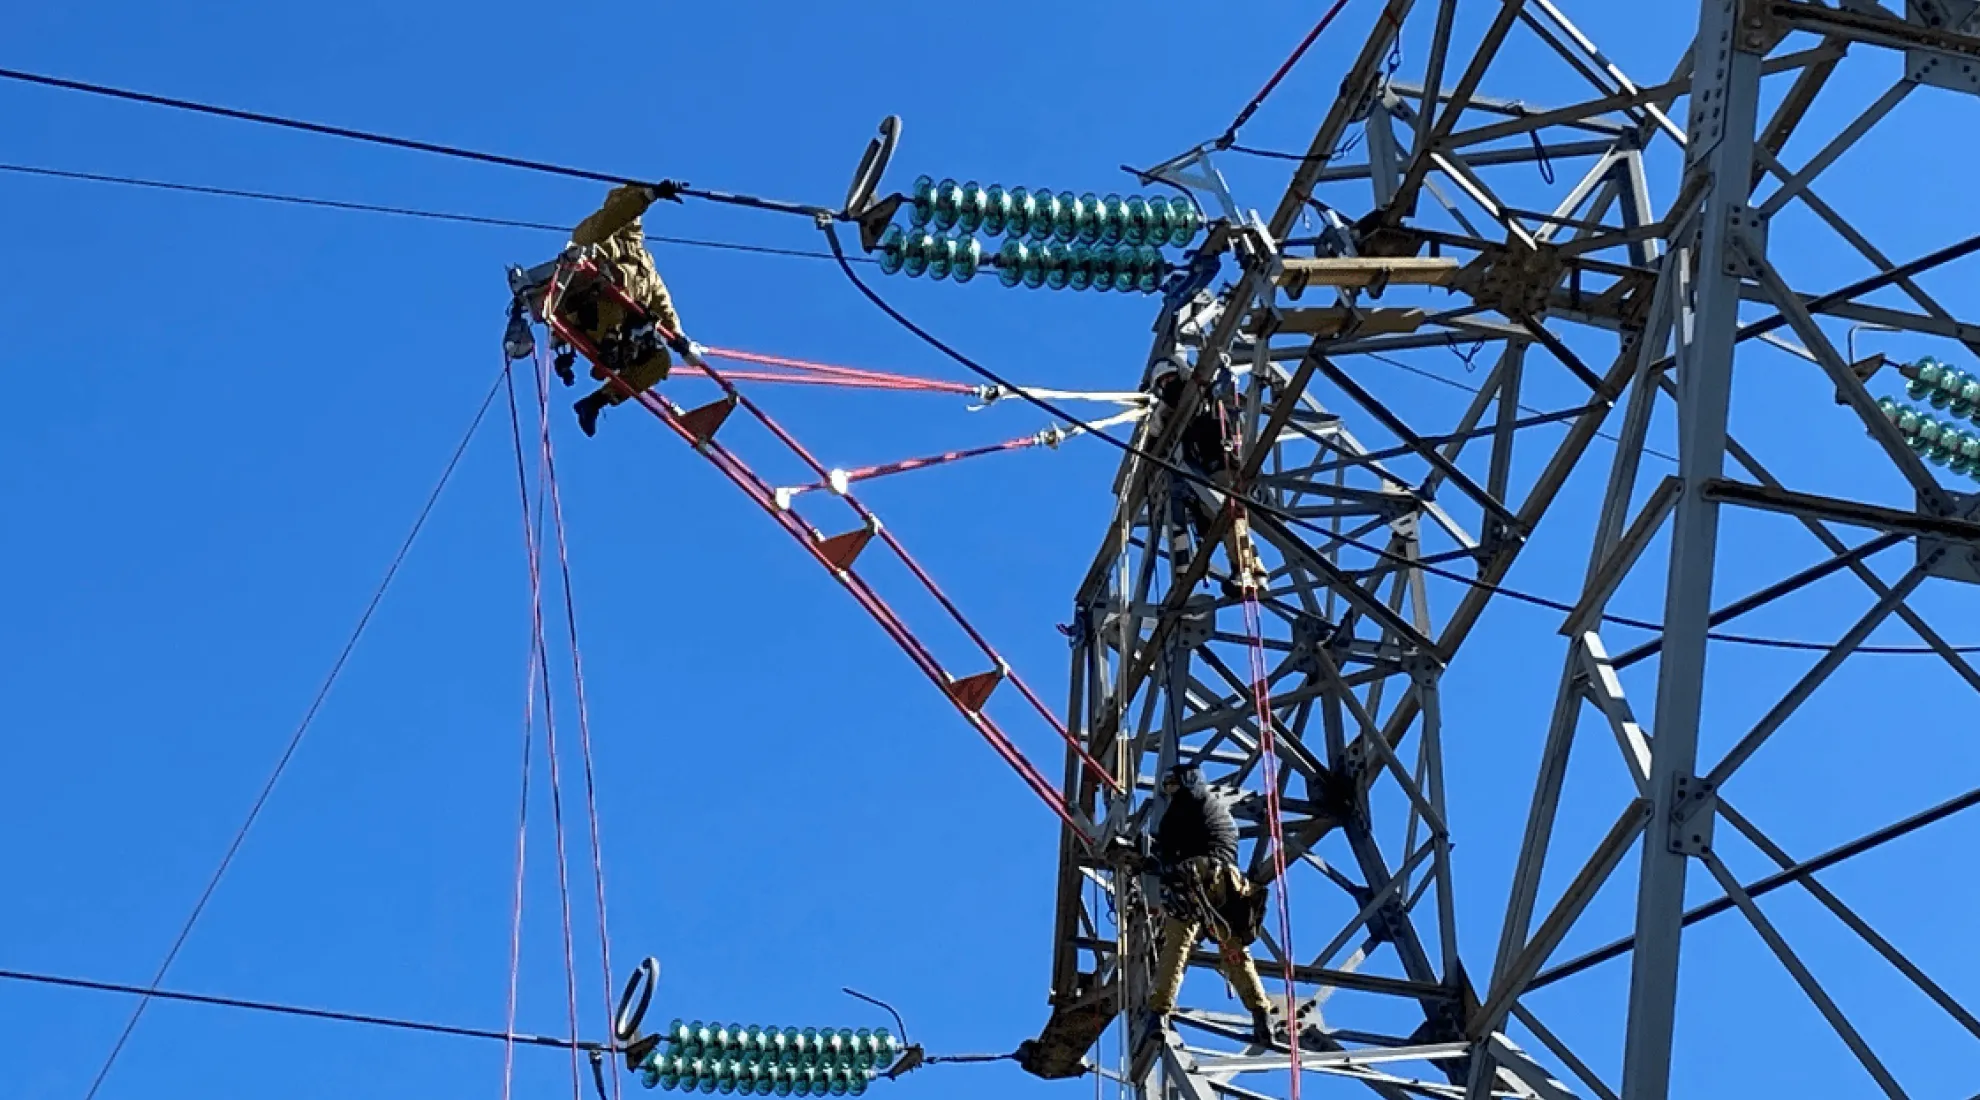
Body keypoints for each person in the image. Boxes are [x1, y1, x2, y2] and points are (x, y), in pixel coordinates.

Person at [1147, 763, 1277, 1046]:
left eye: (1172, 784)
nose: (1170, 791)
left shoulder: (1183, 807)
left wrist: (1151, 857)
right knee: (1233, 950)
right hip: (1228, 884)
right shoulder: (1218, 811)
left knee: (1176, 945)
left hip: (1195, 879)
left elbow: (1163, 854)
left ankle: (1157, 1015)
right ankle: (1261, 1015)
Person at [560, 181, 702, 437]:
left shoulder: (643, 260)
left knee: (660, 361)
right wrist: (647, 196)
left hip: (624, 329)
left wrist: (679, 337)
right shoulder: (595, 236)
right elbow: (610, 221)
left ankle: (597, 401)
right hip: (593, 316)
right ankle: (611, 345)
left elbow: (660, 296)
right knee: (617, 277)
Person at [1148, 361, 1268, 595]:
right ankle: (1240, 569)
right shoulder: (1171, 416)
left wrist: (1223, 375)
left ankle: (1250, 570)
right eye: (1163, 384)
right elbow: (1154, 433)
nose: (1169, 385)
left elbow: (1226, 393)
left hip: (1223, 466)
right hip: (1202, 476)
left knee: (1230, 515)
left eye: (1171, 379)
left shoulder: (1204, 396)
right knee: (1214, 522)